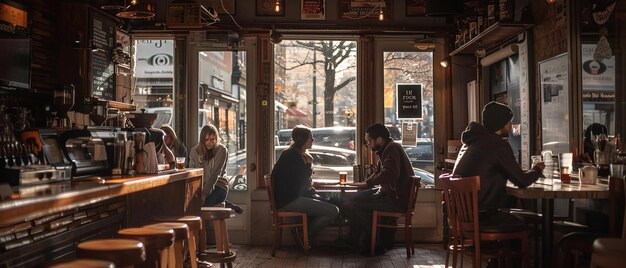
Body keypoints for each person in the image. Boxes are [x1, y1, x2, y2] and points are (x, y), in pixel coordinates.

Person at [453, 101, 545, 223]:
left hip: (466, 214)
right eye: (508, 122)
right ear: (501, 124)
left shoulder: (475, 142)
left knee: (517, 209)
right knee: (531, 220)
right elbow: (522, 181)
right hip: (484, 215)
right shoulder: (497, 145)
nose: (511, 125)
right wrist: (538, 169)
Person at [345, 123, 414, 255]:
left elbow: (391, 173)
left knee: (355, 204)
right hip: (391, 195)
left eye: (369, 140)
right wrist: (366, 183)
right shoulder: (387, 148)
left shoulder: (391, 148)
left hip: (395, 200)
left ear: (379, 140)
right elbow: (378, 172)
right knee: (355, 198)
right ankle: (362, 241)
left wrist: (367, 183)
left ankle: (374, 244)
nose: (368, 144)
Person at [270, 125, 339, 248]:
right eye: (310, 137)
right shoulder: (291, 156)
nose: (313, 140)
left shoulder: (295, 154)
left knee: (330, 200)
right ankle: (304, 233)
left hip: (291, 197)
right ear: (303, 140)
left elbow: (299, 183)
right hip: (289, 200)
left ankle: (306, 236)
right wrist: (309, 164)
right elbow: (299, 182)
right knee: (333, 211)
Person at [189, 125, 243, 214]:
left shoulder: (222, 150)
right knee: (188, 205)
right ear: (202, 140)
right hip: (200, 187)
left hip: (218, 186)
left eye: (212, 139)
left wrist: (203, 195)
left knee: (198, 208)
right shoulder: (194, 151)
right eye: (206, 140)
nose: (209, 142)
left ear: (216, 139)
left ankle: (199, 228)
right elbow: (192, 172)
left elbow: (215, 174)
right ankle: (227, 204)